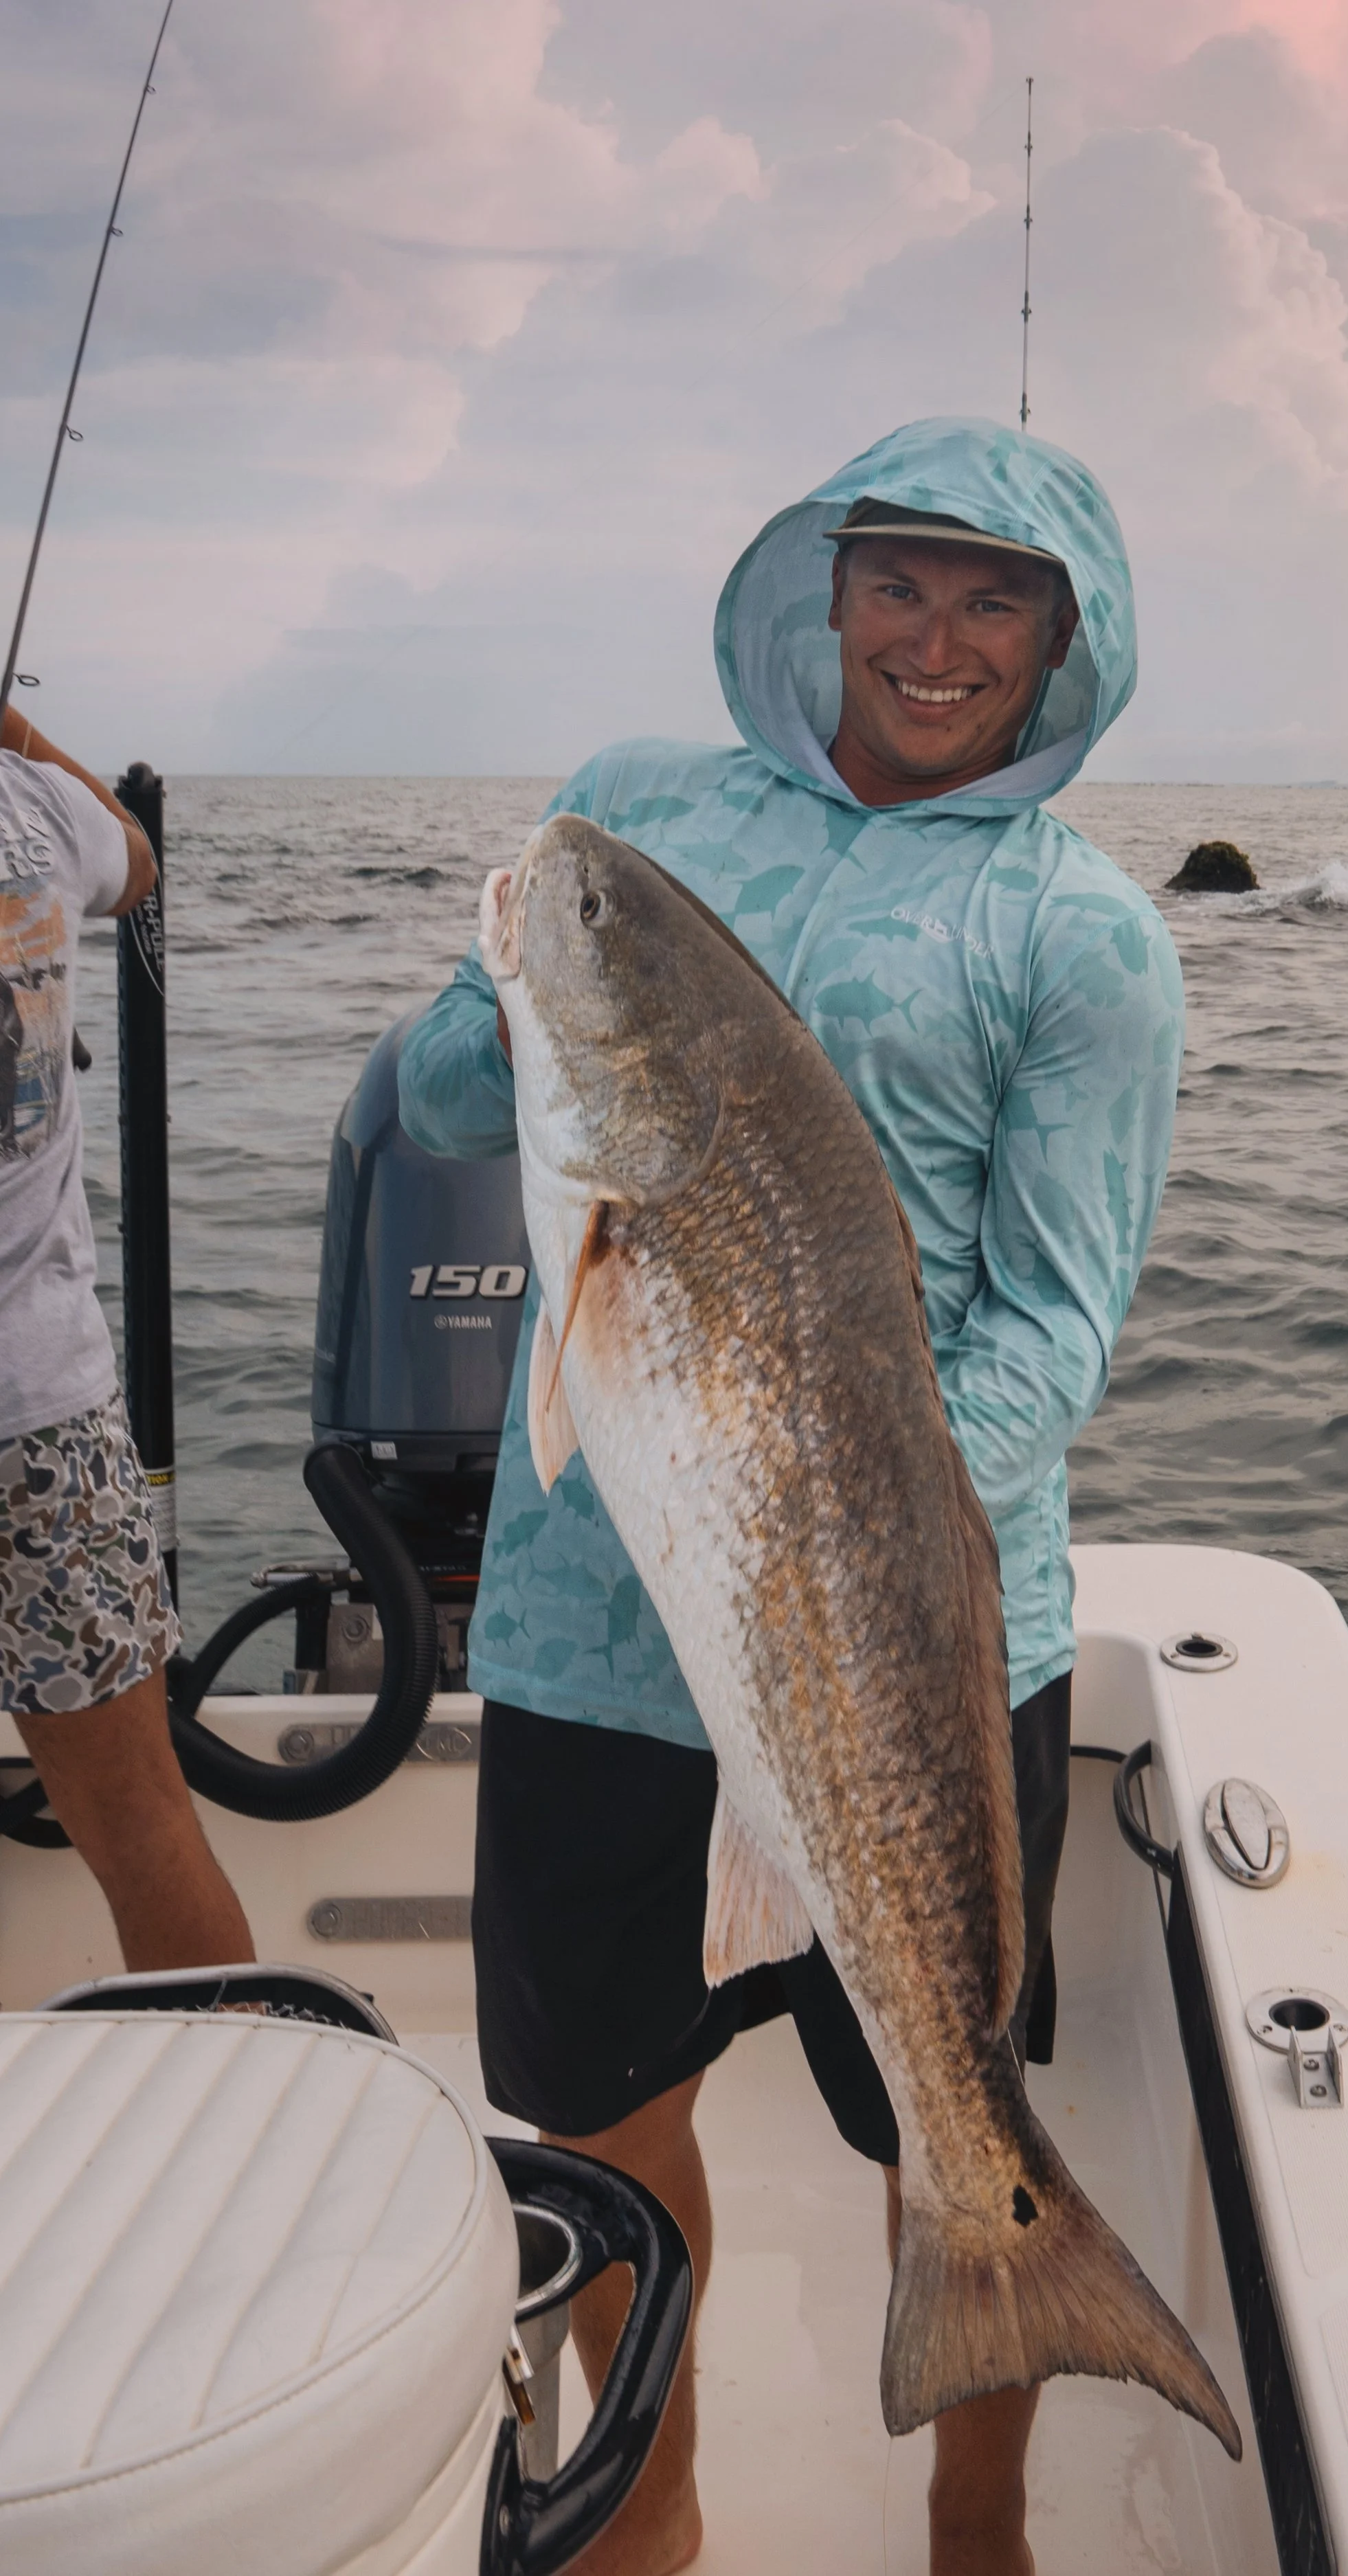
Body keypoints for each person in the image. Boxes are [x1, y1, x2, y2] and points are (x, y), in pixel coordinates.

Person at [398, 418, 1184, 2576]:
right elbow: (447, 1102)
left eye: (991, 598)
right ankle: (648, 2515)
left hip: (916, 1629)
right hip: (589, 1618)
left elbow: (1057, 1314)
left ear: (1058, 640)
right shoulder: (639, 812)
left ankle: (974, 2532)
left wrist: (875, 1492)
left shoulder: (1087, 936)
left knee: (948, 2106)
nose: (936, 642)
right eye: (900, 584)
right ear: (821, 596)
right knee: (594, 2098)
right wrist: (494, 997)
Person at [0, 703, 253, 1974]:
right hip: (50, 1417)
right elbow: (136, 857)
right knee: (147, 1826)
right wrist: (16, 733)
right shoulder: (39, 815)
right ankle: (238, 2118)